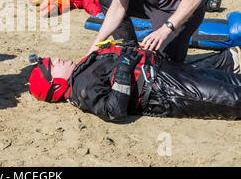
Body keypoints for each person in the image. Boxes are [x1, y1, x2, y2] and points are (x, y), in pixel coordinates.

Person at [28, 43, 241, 121]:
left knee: (233, 81)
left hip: (167, 72)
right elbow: (114, 111)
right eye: (52, 65)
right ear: (56, 85)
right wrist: (124, 68)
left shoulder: (81, 69)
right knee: (234, 98)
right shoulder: (82, 90)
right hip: (166, 91)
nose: (56, 59)